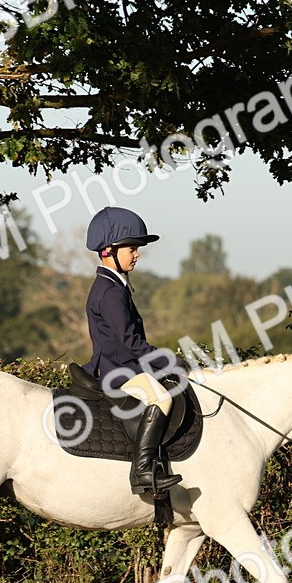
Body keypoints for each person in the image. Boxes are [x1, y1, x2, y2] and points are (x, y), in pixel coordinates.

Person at [81, 206, 183, 495]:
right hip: (118, 371)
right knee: (162, 398)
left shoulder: (115, 285)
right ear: (108, 251)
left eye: (137, 248)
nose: (137, 253)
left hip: (123, 365)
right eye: (131, 248)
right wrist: (168, 360)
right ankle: (142, 471)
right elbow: (131, 342)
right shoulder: (110, 291)